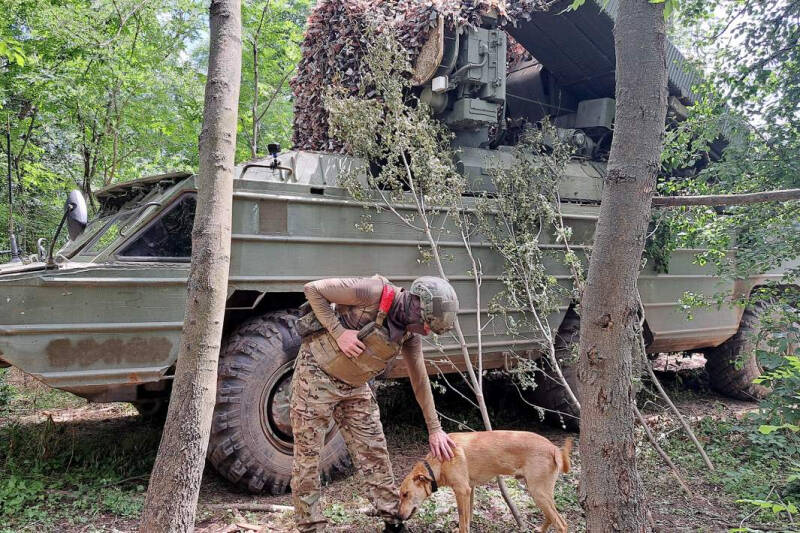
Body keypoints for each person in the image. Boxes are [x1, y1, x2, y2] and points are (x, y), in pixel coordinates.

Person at [290, 275, 459, 532]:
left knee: (375, 452)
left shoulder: (409, 335)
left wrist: (434, 428)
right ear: (415, 305)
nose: (425, 331)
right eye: (426, 324)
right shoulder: (371, 291)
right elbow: (312, 289)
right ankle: (311, 527)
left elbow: (420, 380)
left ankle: (393, 521)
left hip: (355, 387)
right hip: (315, 378)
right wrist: (339, 333)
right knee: (308, 459)